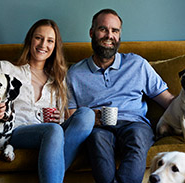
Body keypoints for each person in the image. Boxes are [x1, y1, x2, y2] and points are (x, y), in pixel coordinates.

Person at [0, 19, 95, 183]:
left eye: (50, 41)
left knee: (86, 114)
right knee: (54, 130)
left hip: (49, 132)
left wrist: (61, 119)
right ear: (30, 40)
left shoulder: (58, 79)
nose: (43, 44)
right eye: (39, 38)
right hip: (16, 131)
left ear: (55, 46)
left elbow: (63, 119)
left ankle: (53, 172)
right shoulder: (6, 69)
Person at [67, 9, 175, 183]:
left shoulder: (137, 64)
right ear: (91, 33)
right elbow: (70, 115)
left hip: (134, 124)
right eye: (103, 29)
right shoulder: (74, 74)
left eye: (115, 31)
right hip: (98, 128)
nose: (109, 35)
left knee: (138, 137)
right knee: (96, 139)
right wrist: (91, 119)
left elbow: (168, 100)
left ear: (119, 35)